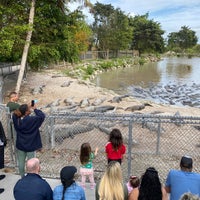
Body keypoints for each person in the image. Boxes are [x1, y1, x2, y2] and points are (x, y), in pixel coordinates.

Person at [12, 103, 45, 177]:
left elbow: (15, 114)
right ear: (27, 112)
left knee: (21, 162)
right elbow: (42, 116)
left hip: (20, 145)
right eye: (28, 109)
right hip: (31, 145)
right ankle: (31, 178)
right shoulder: (32, 120)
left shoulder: (17, 120)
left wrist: (24, 109)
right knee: (32, 164)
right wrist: (35, 109)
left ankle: (22, 177)